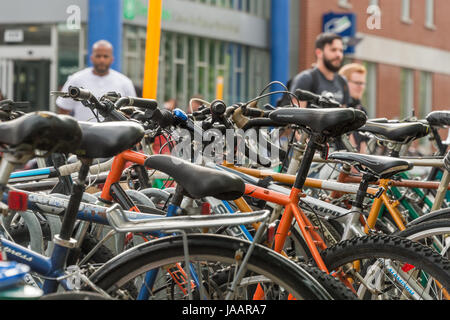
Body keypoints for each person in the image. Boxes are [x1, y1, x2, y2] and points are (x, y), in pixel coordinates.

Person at [56, 40, 136, 121]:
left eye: (105, 56)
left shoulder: (125, 82)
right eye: (98, 56)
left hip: (117, 133)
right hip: (83, 132)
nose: (102, 60)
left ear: (112, 59)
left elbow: (133, 112)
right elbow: (63, 110)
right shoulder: (76, 79)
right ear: (91, 58)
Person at [286, 32, 350, 108]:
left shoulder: (342, 81)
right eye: (333, 50)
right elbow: (295, 116)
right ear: (319, 53)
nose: (338, 55)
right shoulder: (305, 79)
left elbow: (344, 115)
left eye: (341, 50)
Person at [339, 63, 370, 153]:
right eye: (357, 83)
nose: (361, 87)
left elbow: (363, 149)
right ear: (344, 83)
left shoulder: (362, 111)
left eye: (363, 83)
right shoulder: (336, 110)